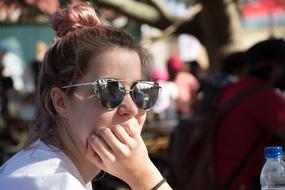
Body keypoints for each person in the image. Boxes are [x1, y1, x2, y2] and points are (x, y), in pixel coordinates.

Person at [0, 2, 172, 190]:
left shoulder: (59, 173)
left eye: (142, 91)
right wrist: (145, 178)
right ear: (61, 102)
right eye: (110, 90)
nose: (131, 109)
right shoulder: (51, 182)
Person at [214, 38, 285, 190]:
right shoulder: (264, 96)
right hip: (245, 183)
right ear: (274, 67)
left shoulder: (233, 89)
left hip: (221, 181)